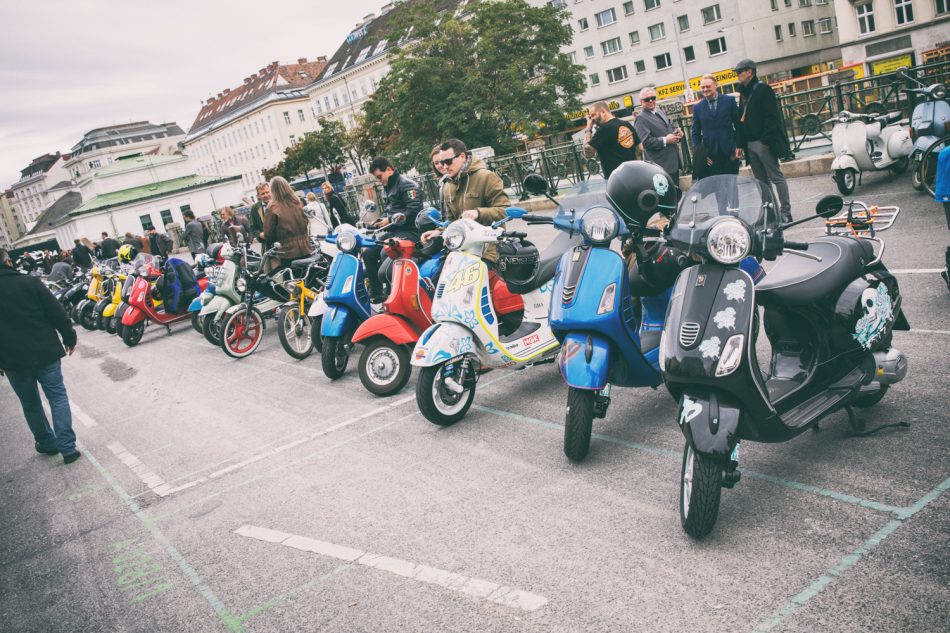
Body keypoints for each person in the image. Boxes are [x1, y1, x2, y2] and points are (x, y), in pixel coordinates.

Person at [0, 248, 81, 464]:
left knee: (30, 403)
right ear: (7, 261)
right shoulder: (30, 283)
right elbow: (56, 312)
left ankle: (47, 443)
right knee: (57, 397)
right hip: (44, 351)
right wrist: (69, 337)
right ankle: (67, 448)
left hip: (11, 359)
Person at [421, 139, 511, 260]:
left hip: (487, 248)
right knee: (436, 276)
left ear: (462, 156)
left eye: (448, 161)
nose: (445, 167)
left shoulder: (486, 177)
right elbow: (452, 221)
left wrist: (478, 213)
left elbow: (505, 211)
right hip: (460, 248)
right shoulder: (447, 185)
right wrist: (439, 232)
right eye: (442, 163)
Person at [735, 58, 793, 223]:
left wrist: (765, 141)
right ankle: (771, 212)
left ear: (750, 72)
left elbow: (772, 117)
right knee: (761, 182)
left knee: (777, 178)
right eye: (738, 72)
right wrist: (740, 144)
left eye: (741, 72)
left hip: (762, 142)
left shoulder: (763, 89)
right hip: (749, 143)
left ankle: (786, 212)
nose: (738, 75)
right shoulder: (743, 92)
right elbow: (740, 120)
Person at [365, 157, 424, 302]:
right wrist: (380, 220)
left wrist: (389, 220)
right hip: (395, 231)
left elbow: (414, 210)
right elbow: (389, 210)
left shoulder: (407, 185)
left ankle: (394, 294)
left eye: (380, 176)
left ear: (389, 170)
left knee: (385, 251)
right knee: (368, 252)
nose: (379, 180)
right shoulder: (388, 186)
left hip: (410, 231)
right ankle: (377, 293)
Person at [690, 74, 742, 181]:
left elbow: (738, 125)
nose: (705, 89)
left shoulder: (729, 101)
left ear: (715, 85)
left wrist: (738, 146)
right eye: (702, 87)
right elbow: (695, 133)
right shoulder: (698, 107)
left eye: (708, 86)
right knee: (718, 189)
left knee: (732, 186)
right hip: (711, 156)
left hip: (730, 153)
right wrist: (702, 155)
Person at [633, 87, 683, 184]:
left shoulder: (659, 111)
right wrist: (665, 140)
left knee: (676, 195)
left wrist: (677, 132)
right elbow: (646, 142)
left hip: (672, 163)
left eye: (653, 98)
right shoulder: (640, 118)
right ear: (641, 102)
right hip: (660, 167)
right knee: (667, 197)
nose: (651, 101)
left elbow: (668, 128)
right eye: (647, 99)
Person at [582, 100, 639, 180]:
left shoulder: (604, 129)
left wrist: (588, 128)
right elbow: (639, 148)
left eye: (593, 115)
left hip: (616, 179)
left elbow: (587, 153)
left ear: (603, 112)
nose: (592, 119)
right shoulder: (626, 124)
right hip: (633, 173)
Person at [264, 176, 312, 269]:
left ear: (272, 190)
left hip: (287, 253)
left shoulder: (272, 207)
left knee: (293, 281)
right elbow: (306, 222)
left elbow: (269, 234)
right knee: (309, 279)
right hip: (306, 248)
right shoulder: (297, 202)